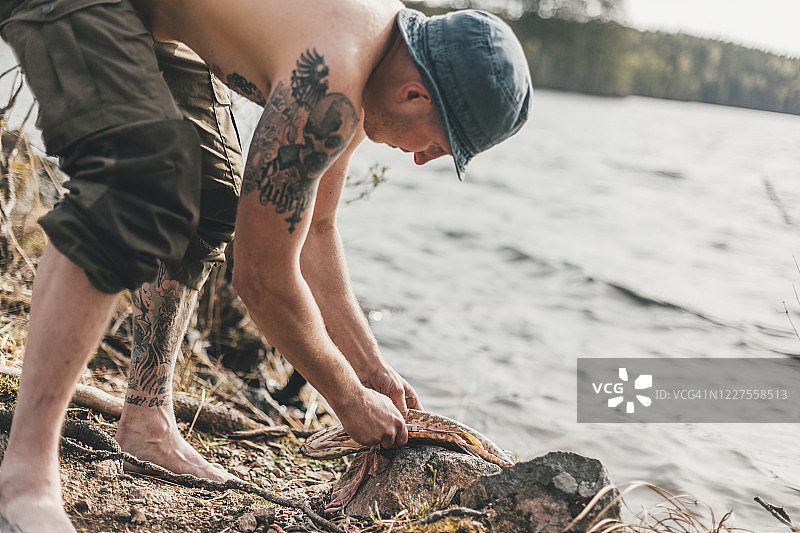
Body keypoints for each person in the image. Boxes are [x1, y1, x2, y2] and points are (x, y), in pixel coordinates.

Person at [0, 0, 532, 530]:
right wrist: (348, 399)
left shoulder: (363, 68)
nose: (421, 158)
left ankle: (147, 416)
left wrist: (372, 369)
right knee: (139, 181)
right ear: (414, 94)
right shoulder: (333, 78)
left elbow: (316, 232)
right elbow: (261, 278)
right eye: (438, 144)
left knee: (209, 199)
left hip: (148, 16)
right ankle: (25, 475)